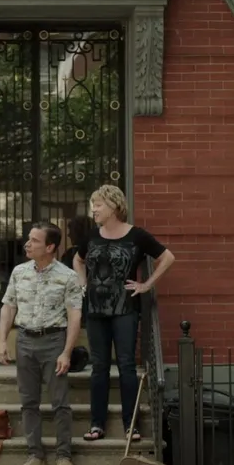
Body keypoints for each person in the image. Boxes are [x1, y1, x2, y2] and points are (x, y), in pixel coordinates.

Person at [72, 185, 176, 442]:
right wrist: (83, 283)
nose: (94, 210)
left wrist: (146, 284)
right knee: (99, 367)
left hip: (125, 309)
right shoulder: (91, 236)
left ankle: (131, 425)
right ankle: (97, 424)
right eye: (93, 205)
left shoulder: (136, 236)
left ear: (114, 206)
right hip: (95, 310)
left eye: (98, 205)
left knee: (127, 366)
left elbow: (167, 257)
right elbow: (78, 259)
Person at [0, 222, 84, 465]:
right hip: (24, 341)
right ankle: (35, 457)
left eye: (34, 240)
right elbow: (8, 306)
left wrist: (66, 352)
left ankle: (64, 457)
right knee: (28, 402)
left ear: (50, 247)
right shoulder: (19, 272)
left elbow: (75, 315)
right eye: (29, 239)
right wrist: (2, 341)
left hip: (53, 342)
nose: (27, 244)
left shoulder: (68, 276)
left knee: (60, 403)